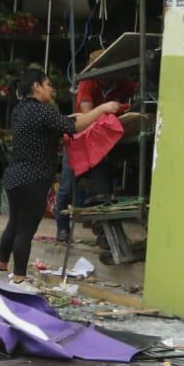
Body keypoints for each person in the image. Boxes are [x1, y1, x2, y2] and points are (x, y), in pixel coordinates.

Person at [0, 69, 120, 285]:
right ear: (36, 87)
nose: (51, 89)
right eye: (48, 84)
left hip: (13, 177)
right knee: (25, 230)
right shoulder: (43, 110)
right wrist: (103, 108)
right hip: (33, 178)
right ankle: (18, 280)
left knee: (14, 224)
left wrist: (70, 118)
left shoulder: (19, 110)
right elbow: (73, 127)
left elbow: (54, 125)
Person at [55, 50, 137, 240]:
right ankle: (62, 228)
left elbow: (134, 98)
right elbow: (87, 116)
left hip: (101, 142)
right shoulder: (87, 83)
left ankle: (104, 233)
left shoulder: (123, 83)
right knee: (67, 187)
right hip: (80, 139)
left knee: (102, 190)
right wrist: (107, 109)